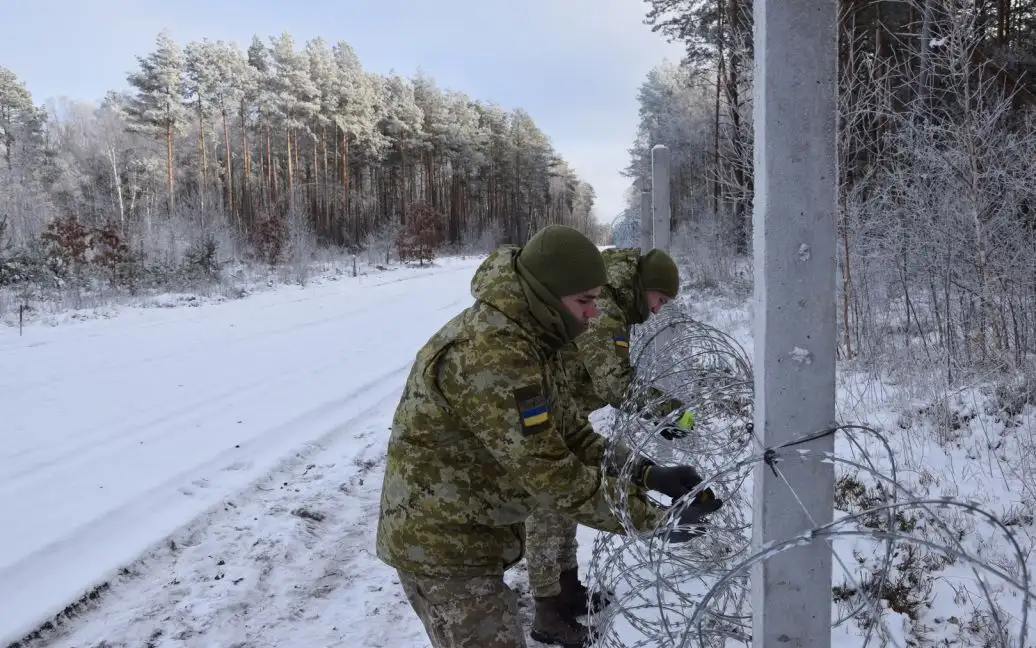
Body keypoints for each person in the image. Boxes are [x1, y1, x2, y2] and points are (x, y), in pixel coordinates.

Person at [375, 225, 720, 648]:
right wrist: (650, 519)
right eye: (585, 302)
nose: (594, 314)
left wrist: (648, 474)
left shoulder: (536, 337)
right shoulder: (494, 351)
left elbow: (571, 435)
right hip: (441, 545)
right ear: (545, 294)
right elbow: (551, 474)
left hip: (475, 530)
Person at [522, 246, 694, 642]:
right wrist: (666, 411)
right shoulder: (608, 311)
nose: (657, 310)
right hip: (544, 414)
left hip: (564, 411)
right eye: (660, 300)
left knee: (562, 508)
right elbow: (613, 382)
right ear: (645, 287)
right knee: (549, 506)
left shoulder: (614, 301)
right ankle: (547, 610)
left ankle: (567, 589)